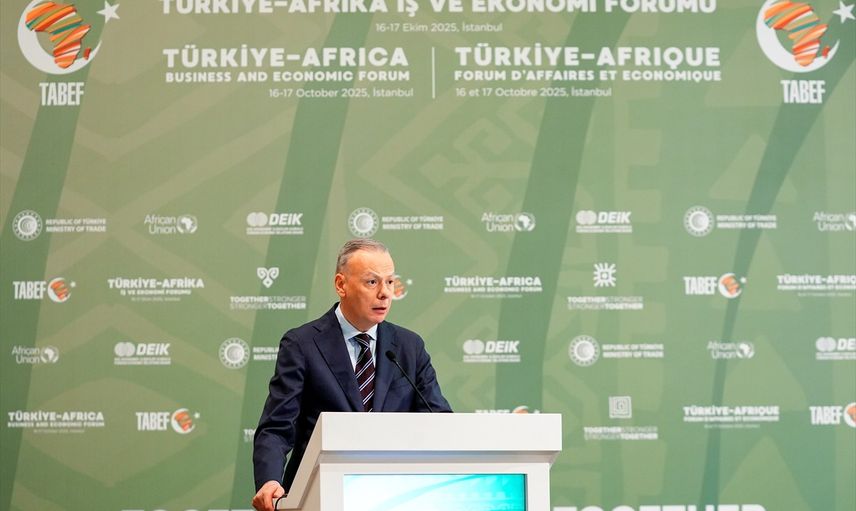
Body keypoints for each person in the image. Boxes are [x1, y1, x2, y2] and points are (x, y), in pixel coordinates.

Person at [251, 239, 452, 511]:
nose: (385, 293)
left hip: (396, 495)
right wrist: (270, 481)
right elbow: (276, 427)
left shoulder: (409, 347)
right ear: (341, 285)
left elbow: (439, 422)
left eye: (390, 282)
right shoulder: (302, 344)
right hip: (321, 495)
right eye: (372, 282)